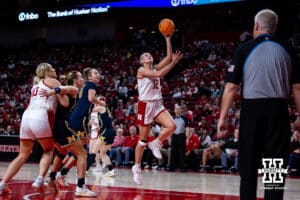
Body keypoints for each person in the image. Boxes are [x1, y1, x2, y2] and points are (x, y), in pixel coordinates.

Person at [217, 9, 300, 200]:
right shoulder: (288, 49)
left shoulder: (244, 49)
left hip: (252, 112)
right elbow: (297, 88)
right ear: (275, 28)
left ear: (256, 26)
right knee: (275, 166)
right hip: (278, 112)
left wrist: (222, 117)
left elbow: (230, 88)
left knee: (248, 168)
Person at [0, 63, 73, 195]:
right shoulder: (52, 80)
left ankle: (2, 184)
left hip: (27, 116)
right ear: (47, 72)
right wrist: (63, 90)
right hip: (41, 115)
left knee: (22, 154)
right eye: (52, 68)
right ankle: (39, 180)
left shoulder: (36, 85)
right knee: (49, 150)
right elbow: (65, 103)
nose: (55, 69)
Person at [131, 32, 183, 185]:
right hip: (145, 105)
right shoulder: (141, 70)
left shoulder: (154, 67)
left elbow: (167, 57)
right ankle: (137, 167)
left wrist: (168, 39)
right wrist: (174, 63)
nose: (149, 56)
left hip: (157, 104)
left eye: (149, 55)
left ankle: (156, 143)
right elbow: (160, 73)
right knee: (142, 141)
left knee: (172, 126)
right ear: (142, 61)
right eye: (146, 56)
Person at [43, 71, 98, 197]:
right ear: (74, 80)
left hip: (56, 127)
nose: (82, 79)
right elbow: (66, 88)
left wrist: (55, 90)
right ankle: (80, 187)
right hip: (63, 126)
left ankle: (51, 178)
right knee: (82, 154)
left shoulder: (67, 92)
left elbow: (63, 94)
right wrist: (52, 91)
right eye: (80, 77)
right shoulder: (74, 89)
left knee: (62, 152)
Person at [168, 105, 190, 172]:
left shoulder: (185, 118)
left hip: (181, 136)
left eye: (178, 109)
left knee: (182, 152)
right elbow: (170, 129)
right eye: (176, 109)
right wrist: (169, 138)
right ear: (174, 111)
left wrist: (187, 138)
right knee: (173, 152)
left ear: (181, 110)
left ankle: (182, 167)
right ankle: (172, 167)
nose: (177, 110)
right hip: (174, 136)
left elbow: (187, 129)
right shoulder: (172, 118)